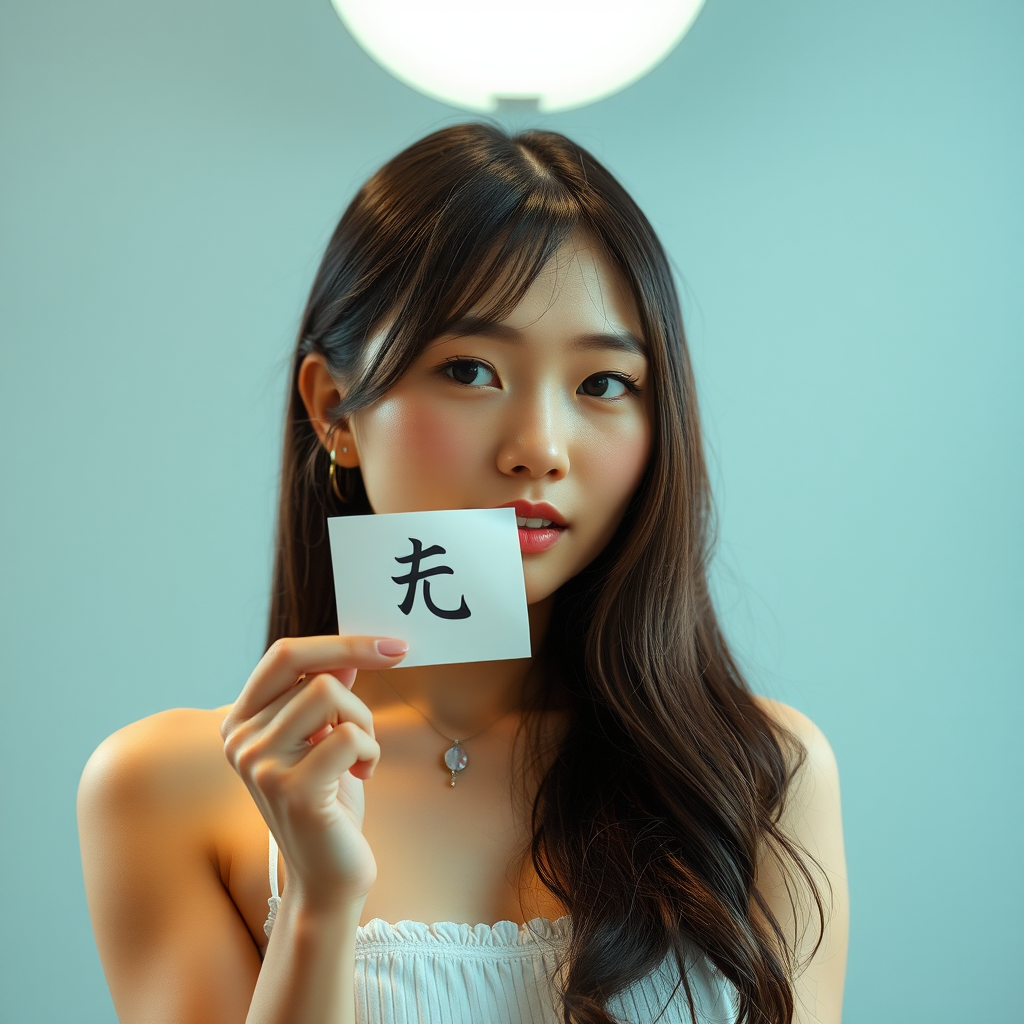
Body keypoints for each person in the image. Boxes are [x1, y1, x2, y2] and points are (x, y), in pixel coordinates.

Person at [77, 122, 848, 1024]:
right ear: (335, 410)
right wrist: (321, 906)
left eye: (604, 384)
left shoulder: (756, 772)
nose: (540, 450)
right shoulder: (168, 786)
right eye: (471, 370)